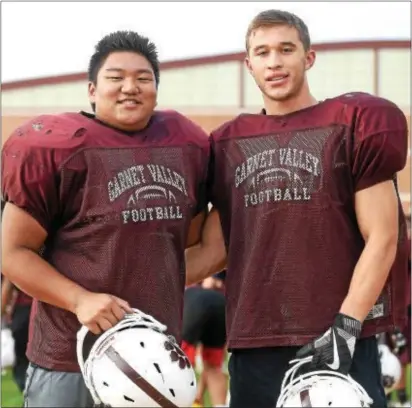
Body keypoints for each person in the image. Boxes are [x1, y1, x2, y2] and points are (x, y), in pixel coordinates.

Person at [185, 9, 409, 408]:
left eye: (286, 49)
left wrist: (346, 328)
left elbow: (383, 235)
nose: (274, 62)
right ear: (248, 63)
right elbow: (215, 250)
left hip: (338, 335)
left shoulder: (350, 123)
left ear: (308, 57)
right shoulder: (227, 143)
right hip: (255, 340)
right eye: (263, 52)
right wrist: (128, 288)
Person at [2, 30, 210, 408]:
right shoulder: (53, 146)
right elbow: (13, 252)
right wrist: (79, 299)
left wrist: (157, 281)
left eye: (143, 78)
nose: (130, 87)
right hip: (69, 356)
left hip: (154, 359)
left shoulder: (185, 145)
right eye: (115, 78)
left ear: (156, 90)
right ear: (92, 89)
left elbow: (191, 248)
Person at [182, 273, 228, 407]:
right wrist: (198, 397)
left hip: (194, 299)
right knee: (213, 367)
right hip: (222, 303)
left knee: (181, 362)